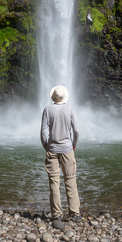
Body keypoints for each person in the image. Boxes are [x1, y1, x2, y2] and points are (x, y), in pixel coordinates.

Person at [40, 85, 80, 221]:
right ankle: (75, 213)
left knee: (54, 182)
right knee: (70, 179)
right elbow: (76, 130)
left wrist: (46, 146)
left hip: (52, 149)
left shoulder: (47, 109)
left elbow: (44, 131)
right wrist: (74, 144)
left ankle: (57, 214)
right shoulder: (70, 109)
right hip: (67, 149)